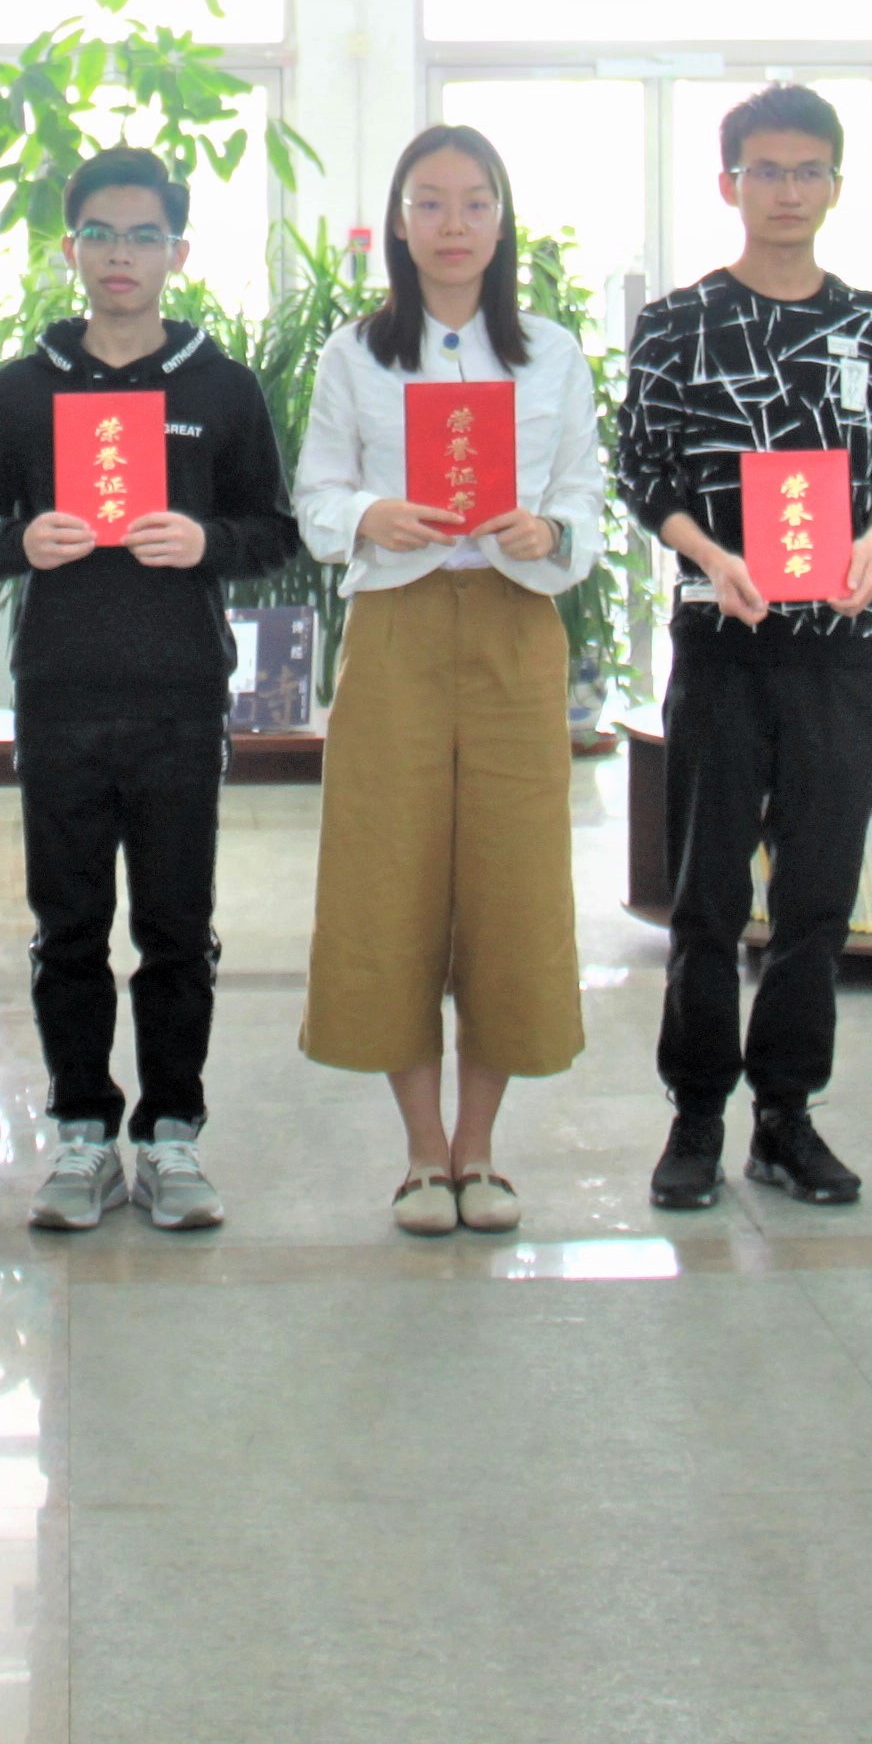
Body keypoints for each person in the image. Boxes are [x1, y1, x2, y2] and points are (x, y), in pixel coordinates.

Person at [0, 147, 300, 1234]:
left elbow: (275, 530)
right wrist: (18, 541)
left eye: (145, 235)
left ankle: (172, 1133)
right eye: (100, 234)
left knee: (178, 927)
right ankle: (82, 1133)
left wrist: (206, 540)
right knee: (69, 928)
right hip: (58, 695)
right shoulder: (23, 387)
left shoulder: (222, 386)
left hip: (182, 699)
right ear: (71, 248)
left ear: (178, 251)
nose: (121, 255)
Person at [293, 124, 604, 1238]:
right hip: (398, 626)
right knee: (391, 879)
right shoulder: (354, 354)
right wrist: (369, 515)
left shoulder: (553, 355)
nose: (454, 224)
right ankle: (423, 1155)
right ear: (400, 222)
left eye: (475, 202)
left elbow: (586, 498)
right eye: (430, 202)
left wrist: (548, 531)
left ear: (503, 219)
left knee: (513, 884)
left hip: (516, 628)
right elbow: (315, 494)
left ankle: (483, 1150)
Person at [620, 84, 872, 1213]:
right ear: (729, 184)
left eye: (808, 171)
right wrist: (709, 555)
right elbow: (643, 472)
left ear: (835, 186)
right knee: (706, 892)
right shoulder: (678, 323)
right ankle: (696, 1114)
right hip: (724, 638)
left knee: (817, 889)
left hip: (839, 646)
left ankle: (787, 1114)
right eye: (766, 171)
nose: (787, 191)